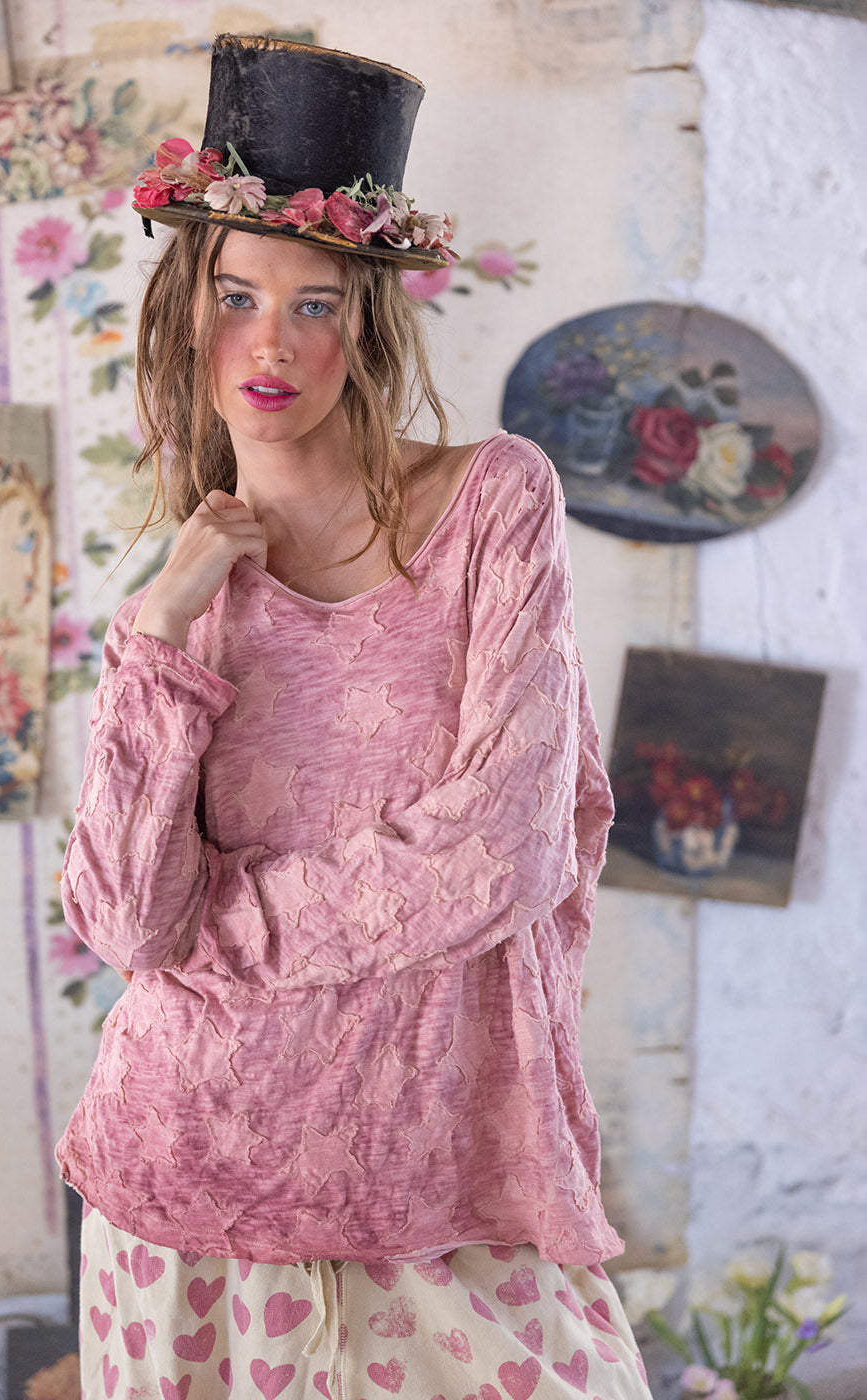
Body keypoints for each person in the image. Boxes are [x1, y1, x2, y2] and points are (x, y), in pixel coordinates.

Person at [57, 33, 655, 1400]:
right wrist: (155, 635)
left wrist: (215, 933)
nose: (271, 343)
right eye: (235, 295)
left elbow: (501, 853)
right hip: (186, 1181)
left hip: (448, 1174)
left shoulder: (492, 503)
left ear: (368, 321)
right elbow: (124, 924)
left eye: (314, 303)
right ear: (184, 310)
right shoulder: (185, 593)